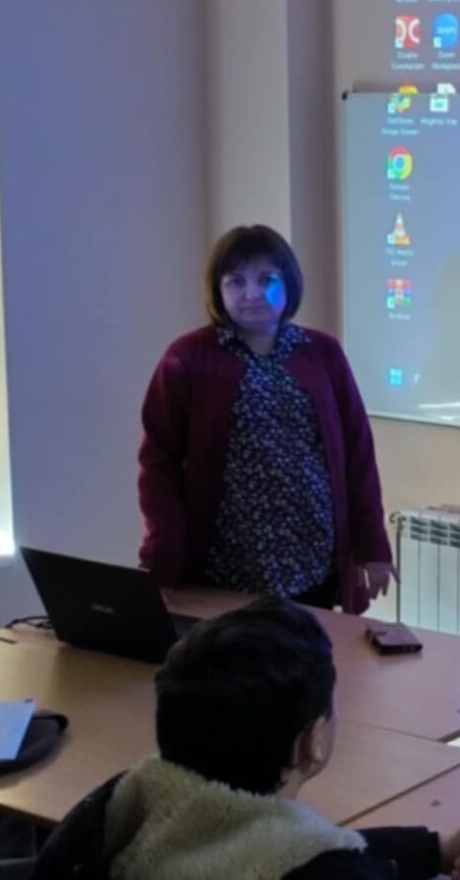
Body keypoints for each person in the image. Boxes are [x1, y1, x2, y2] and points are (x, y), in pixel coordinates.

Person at [18, 598, 460, 880]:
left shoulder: (114, 811)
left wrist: (435, 850)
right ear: (312, 741)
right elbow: (313, 867)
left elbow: (273, 847)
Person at [138, 225, 395, 614]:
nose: (252, 293)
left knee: (311, 651)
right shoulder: (187, 358)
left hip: (313, 561)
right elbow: (158, 466)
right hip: (226, 566)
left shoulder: (322, 352)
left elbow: (358, 453)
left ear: (289, 283)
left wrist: (372, 546)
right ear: (218, 290)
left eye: (266, 279)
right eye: (236, 281)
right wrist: (162, 558)